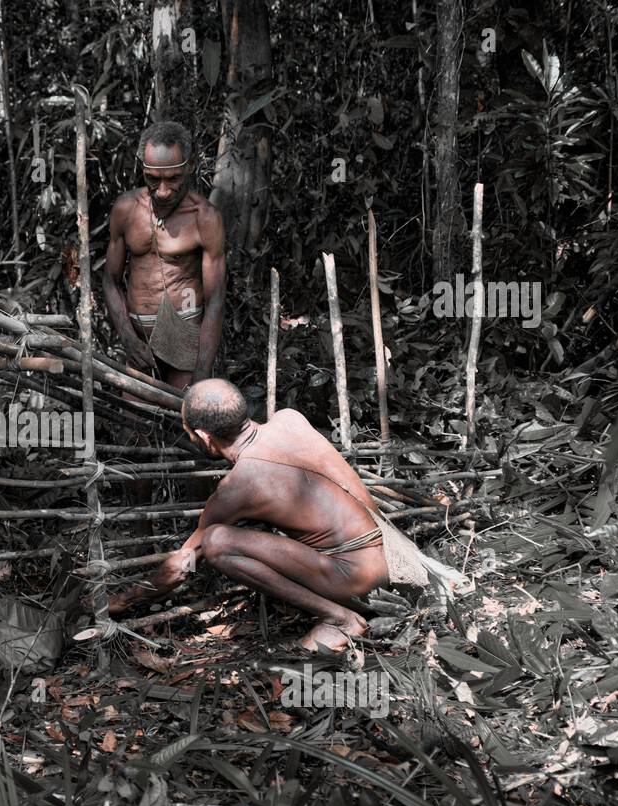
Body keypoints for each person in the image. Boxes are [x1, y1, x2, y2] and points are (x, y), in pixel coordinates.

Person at [104, 379, 436, 652]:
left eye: (190, 432)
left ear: (204, 436)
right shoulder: (290, 419)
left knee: (216, 540)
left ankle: (338, 617)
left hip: (356, 578)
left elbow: (181, 567)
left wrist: (127, 598)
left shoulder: (237, 487)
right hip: (394, 555)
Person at [102, 121, 225, 389]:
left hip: (184, 336)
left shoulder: (205, 218)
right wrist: (128, 339)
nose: (163, 191)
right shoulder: (126, 209)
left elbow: (215, 300)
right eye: (153, 179)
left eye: (173, 179)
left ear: (189, 166)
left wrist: (201, 376)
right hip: (137, 339)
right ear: (143, 169)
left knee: (182, 422)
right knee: (136, 423)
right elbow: (110, 280)